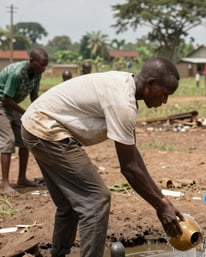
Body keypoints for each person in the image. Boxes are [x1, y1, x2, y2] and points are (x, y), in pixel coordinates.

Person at [21, 57, 184, 257]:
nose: (165, 100)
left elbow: (133, 158)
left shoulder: (125, 87)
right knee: (97, 199)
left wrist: (163, 200)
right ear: (150, 84)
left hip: (36, 125)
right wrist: (159, 207)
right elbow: (129, 169)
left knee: (69, 203)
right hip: (46, 130)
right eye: (165, 94)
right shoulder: (123, 103)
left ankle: (59, 254)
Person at [0, 47, 49, 196]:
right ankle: (5, 185)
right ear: (32, 61)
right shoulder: (16, 73)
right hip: (2, 105)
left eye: (45, 65)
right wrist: (25, 112)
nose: (43, 68)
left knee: (24, 139)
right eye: (41, 65)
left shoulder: (36, 74)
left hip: (12, 104)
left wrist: (41, 111)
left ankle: (21, 179)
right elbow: (6, 98)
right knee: (8, 140)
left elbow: (34, 95)